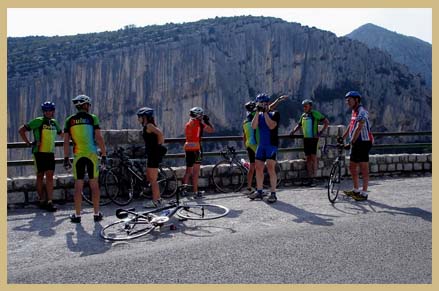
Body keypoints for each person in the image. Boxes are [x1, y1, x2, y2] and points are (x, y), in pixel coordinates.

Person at [63, 95, 107, 223]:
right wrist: (103, 154)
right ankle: (96, 214)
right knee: (94, 185)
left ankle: (77, 216)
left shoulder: (69, 120)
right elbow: (99, 138)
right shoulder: (92, 118)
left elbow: (66, 141)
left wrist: (66, 158)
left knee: (78, 186)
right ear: (86, 105)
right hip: (92, 155)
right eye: (88, 105)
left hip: (78, 156)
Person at [18, 101, 63, 212]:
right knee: (40, 175)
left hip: (50, 153)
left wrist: (74, 139)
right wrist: (29, 143)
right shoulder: (38, 121)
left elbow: (62, 134)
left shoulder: (54, 123)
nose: (48, 112)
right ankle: (41, 200)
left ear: (53, 111)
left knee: (49, 176)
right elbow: (21, 130)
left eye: (50, 110)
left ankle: (50, 201)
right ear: (43, 112)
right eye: (46, 110)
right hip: (39, 153)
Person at [341, 91, 374, 201]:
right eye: (346, 100)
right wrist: (343, 137)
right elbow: (351, 125)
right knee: (352, 166)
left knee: (363, 168)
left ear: (356, 100)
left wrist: (350, 142)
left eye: (349, 99)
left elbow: (358, 127)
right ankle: (356, 190)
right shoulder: (354, 112)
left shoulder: (362, 112)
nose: (347, 102)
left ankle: (364, 193)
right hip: (356, 142)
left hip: (364, 142)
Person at [249, 93, 281, 203]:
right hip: (261, 145)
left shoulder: (274, 113)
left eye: (263, 103)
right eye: (260, 103)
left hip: (271, 145)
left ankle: (273, 193)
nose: (262, 105)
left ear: (267, 103)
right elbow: (253, 126)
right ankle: (259, 191)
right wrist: (258, 112)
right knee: (258, 168)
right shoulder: (259, 114)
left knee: (271, 168)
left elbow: (271, 125)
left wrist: (266, 112)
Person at [290, 99, 329, 186]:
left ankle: (314, 178)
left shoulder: (315, 113)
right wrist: (293, 131)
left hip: (313, 139)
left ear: (310, 106)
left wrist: (320, 132)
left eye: (306, 106)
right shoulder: (303, 115)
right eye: (303, 106)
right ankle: (309, 178)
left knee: (314, 158)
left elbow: (326, 122)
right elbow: (299, 125)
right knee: (308, 158)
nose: (304, 108)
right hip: (306, 139)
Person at [136, 107, 166, 208]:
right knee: (150, 177)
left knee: (153, 179)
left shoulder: (149, 126)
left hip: (153, 155)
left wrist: (158, 145)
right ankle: (157, 198)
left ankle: (156, 201)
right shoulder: (147, 126)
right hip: (151, 155)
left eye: (139, 116)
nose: (138, 118)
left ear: (145, 117)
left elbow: (160, 134)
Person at [183, 107, 214, 198]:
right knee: (196, 172)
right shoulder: (200, 124)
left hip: (188, 148)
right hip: (197, 149)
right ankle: (195, 192)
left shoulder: (188, 123)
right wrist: (207, 121)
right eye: (201, 115)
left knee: (188, 171)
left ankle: (183, 190)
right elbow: (211, 130)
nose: (202, 116)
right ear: (198, 115)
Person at [242, 101, 258, 194]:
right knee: (259, 166)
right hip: (256, 144)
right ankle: (258, 187)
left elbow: (243, 136)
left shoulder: (245, 121)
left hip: (248, 144)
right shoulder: (256, 118)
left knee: (252, 167)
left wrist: (246, 145)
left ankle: (249, 187)